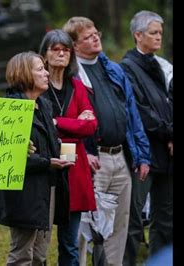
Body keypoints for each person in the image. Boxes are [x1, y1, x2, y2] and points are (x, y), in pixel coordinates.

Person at [62, 17, 151, 266]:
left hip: (120, 156)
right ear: (75, 45)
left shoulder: (114, 70)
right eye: (88, 36)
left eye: (96, 32)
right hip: (91, 158)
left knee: (118, 225)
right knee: (83, 227)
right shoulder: (72, 75)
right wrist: (83, 152)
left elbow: (132, 115)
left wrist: (142, 155)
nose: (95, 38)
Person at [0, 51, 74, 265]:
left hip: (46, 187)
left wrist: (57, 153)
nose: (47, 73)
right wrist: (47, 161)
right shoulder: (10, 110)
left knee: (40, 254)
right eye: (40, 69)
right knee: (22, 254)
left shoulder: (44, 105)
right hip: (23, 193)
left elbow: (45, 146)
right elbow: (9, 158)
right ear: (24, 74)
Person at [38, 29, 98, 265]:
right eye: (55, 49)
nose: (61, 53)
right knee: (39, 243)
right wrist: (75, 123)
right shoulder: (37, 86)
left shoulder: (77, 86)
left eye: (66, 49)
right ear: (45, 54)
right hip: (45, 165)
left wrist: (56, 122)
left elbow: (91, 126)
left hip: (74, 168)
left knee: (69, 243)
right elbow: (38, 126)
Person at [119, 11, 173, 265]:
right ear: (137, 36)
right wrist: (169, 132)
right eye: (153, 33)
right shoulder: (127, 68)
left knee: (166, 219)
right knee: (134, 219)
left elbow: (166, 104)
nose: (159, 37)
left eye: (160, 32)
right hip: (143, 155)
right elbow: (141, 112)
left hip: (166, 154)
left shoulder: (159, 65)